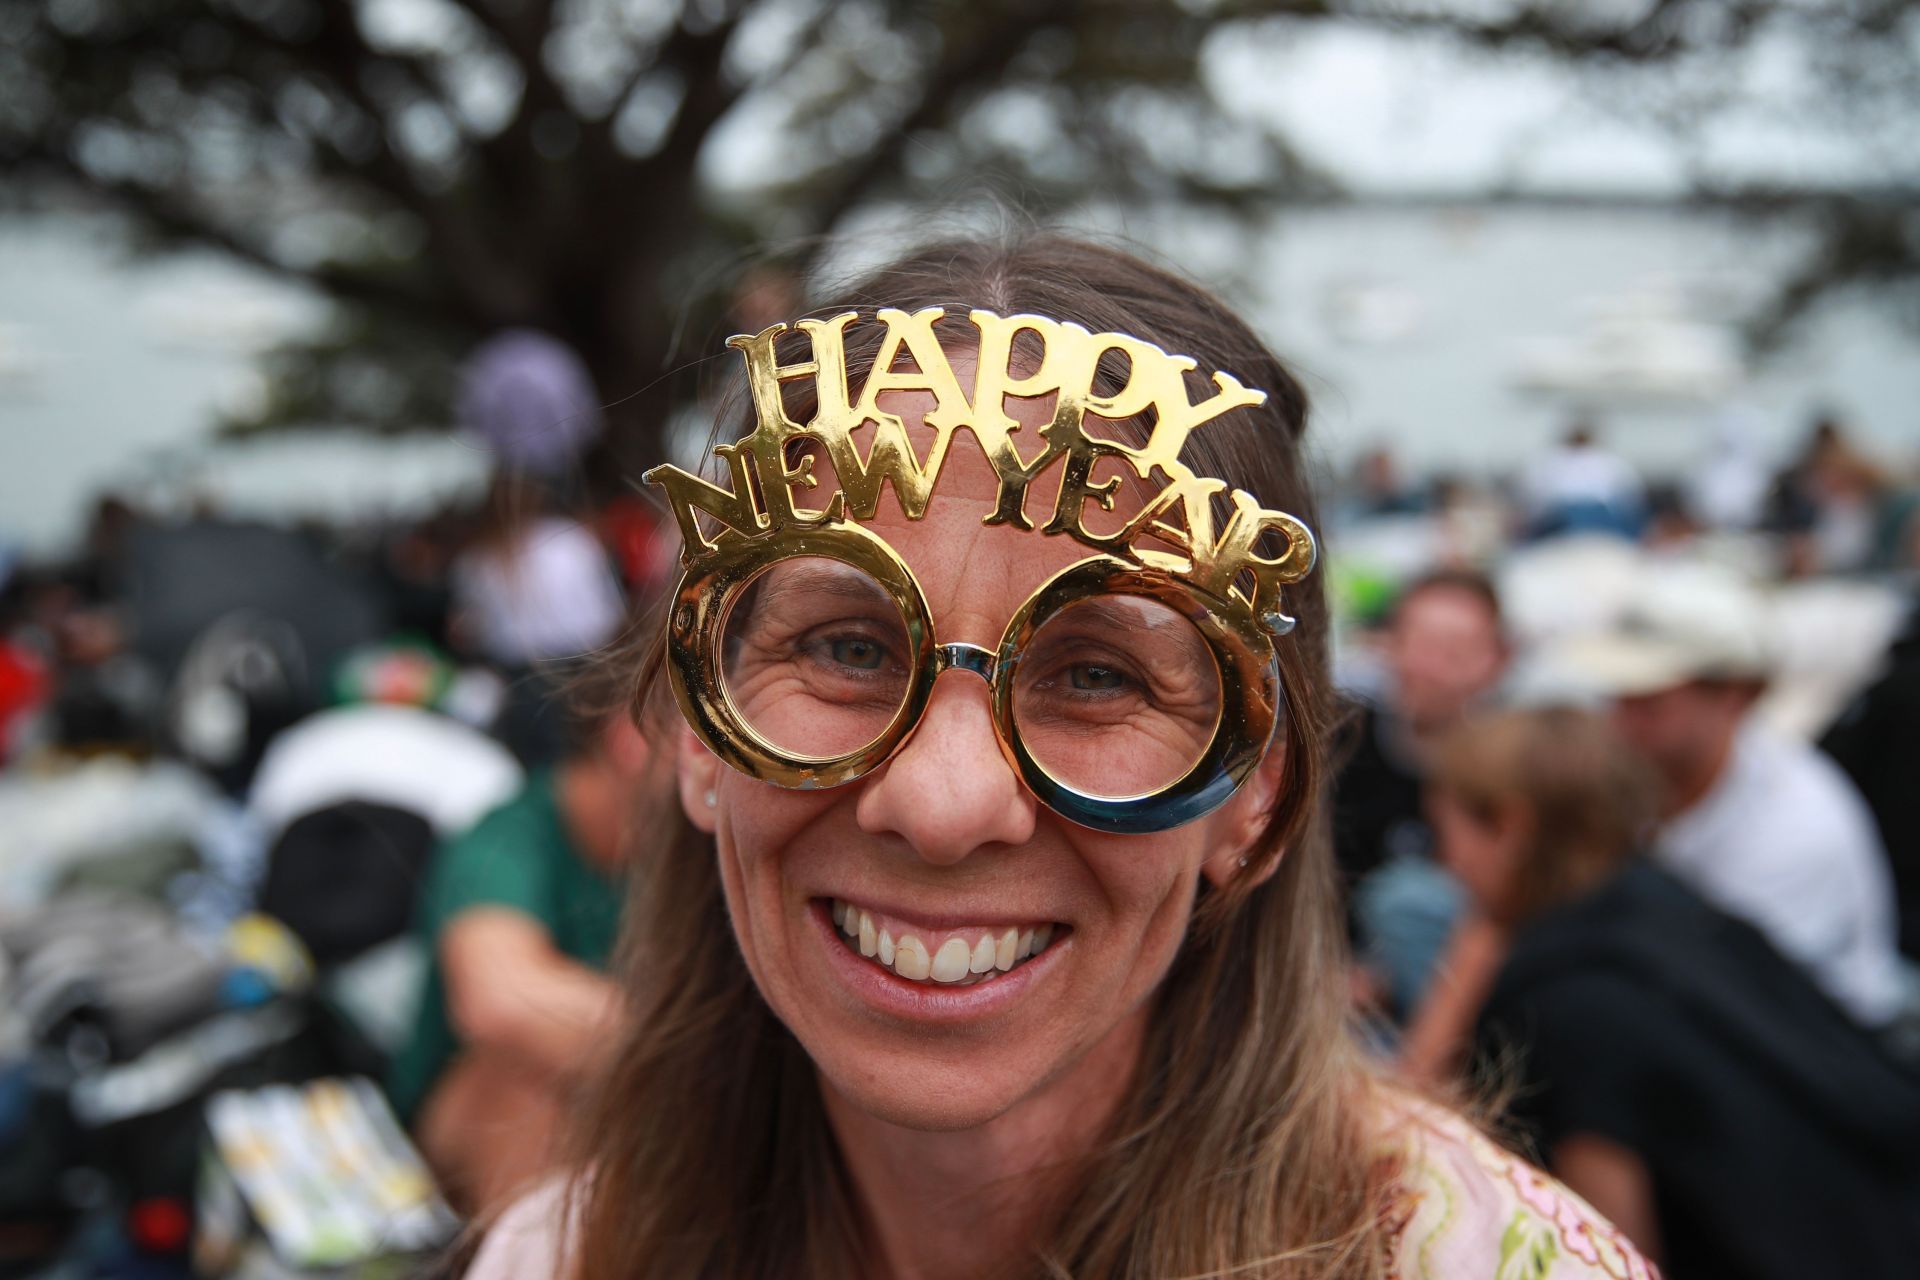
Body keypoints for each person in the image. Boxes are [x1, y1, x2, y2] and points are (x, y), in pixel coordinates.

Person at [464, 236, 1650, 1279]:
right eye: (844, 645)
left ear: (1259, 793)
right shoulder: (562, 1256)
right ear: (697, 735)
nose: (942, 802)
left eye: (1097, 675)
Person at [1414, 706, 1920, 1277]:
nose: (1441, 863)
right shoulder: (1657, 901)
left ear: (1509, 825)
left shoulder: (1569, 1005)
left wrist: (1479, 933)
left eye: (1444, 832)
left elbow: (1615, 1255)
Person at [1557, 565, 1906, 1029]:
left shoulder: (1799, 827)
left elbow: (1739, 1016)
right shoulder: (1643, 774)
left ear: (1738, 695)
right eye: (1617, 695)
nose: (1621, 720)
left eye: (1649, 701)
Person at [387, 686, 655, 1216]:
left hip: (631, 1115)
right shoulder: (512, 833)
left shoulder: (696, 860)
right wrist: (712, 1059)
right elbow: (502, 1002)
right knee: (529, 1085)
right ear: (630, 738)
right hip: (458, 1136)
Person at [1331, 570, 1508, 1019]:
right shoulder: (1337, 740)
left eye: (1456, 651)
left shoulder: (1511, 770)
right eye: (1419, 644)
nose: (1431, 668)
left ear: (1496, 660)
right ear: (1389, 646)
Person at [1519, 421, 1645, 541]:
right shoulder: (1610, 461)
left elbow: (1532, 497)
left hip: (1591, 515)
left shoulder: (1548, 460)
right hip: (1566, 516)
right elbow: (1630, 499)